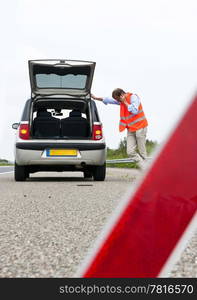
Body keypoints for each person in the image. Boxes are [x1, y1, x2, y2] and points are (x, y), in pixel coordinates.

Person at [91, 88, 148, 168]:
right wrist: (96, 98)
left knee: (142, 152)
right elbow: (108, 100)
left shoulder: (133, 97)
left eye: (118, 99)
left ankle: (149, 170)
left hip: (140, 127)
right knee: (130, 152)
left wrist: (124, 102)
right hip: (131, 129)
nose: (118, 101)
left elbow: (135, 110)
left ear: (122, 95)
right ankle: (145, 167)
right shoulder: (120, 100)